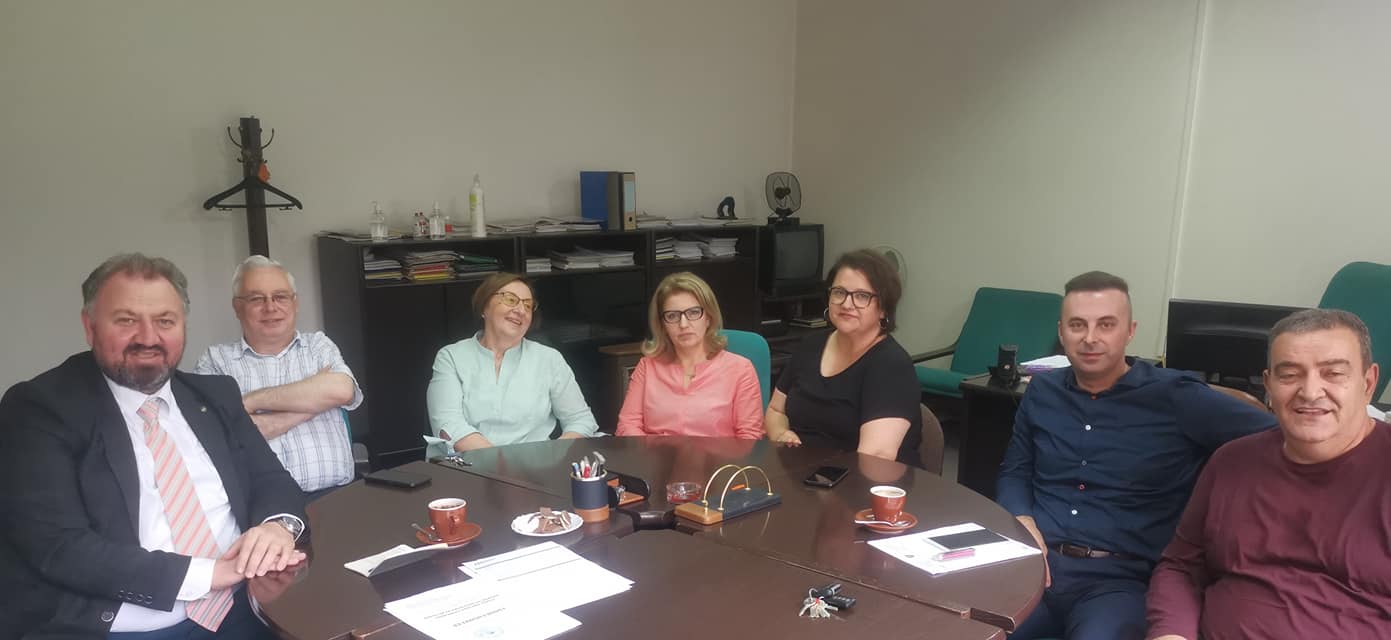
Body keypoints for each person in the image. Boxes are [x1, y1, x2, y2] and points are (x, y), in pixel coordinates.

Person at [0, 253, 307, 639]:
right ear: (90, 327)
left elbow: (272, 480)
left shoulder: (214, 395)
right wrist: (209, 574)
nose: (148, 338)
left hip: (246, 607)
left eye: (165, 321)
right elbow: (59, 546)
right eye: (126, 321)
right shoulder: (40, 409)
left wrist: (278, 528)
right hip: (129, 628)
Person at [997, 271, 1278, 640]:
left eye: (1106, 324)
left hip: (1120, 581)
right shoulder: (1042, 391)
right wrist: (1023, 520)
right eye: (1078, 325)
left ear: (1130, 332)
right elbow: (1015, 471)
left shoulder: (1177, 397)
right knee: (964, 629)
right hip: (1038, 564)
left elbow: (1279, 436)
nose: (1090, 338)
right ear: (1061, 332)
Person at [1147, 309, 1391, 639]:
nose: (1310, 392)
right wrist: (1171, 634)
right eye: (1289, 375)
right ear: (1268, 386)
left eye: (1333, 374)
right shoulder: (1231, 461)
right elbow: (1181, 567)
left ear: (1368, 383)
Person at [195, 256, 364, 501]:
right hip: (258, 507)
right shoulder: (215, 361)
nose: (270, 307)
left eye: (280, 296)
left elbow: (342, 391)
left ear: (295, 303)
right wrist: (313, 405)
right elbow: (224, 435)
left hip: (335, 498)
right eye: (256, 298)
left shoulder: (318, 346)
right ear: (237, 307)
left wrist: (251, 401)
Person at [764, 249, 922, 465]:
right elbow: (775, 410)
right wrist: (781, 433)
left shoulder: (892, 366)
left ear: (884, 309)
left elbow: (875, 458)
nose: (847, 304)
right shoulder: (810, 346)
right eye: (839, 292)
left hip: (865, 480)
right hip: (803, 473)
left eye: (862, 296)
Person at [427, 273, 599, 453]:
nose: (521, 310)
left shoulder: (549, 359)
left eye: (528, 305)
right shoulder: (451, 357)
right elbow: (449, 425)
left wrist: (554, 454)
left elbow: (581, 420)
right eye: (510, 300)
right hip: (469, 464)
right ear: (484, 307)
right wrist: (503, 463)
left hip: (535, 465)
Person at [616, 272, 764, 439]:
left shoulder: (741, 369)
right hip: (655, 455)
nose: (683, 324)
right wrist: (649, 454)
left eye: (693, 313)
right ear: (662, 325)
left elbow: (749, 437)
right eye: (672, 316)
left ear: (708, 317)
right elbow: (627, 425)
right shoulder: (647, 366)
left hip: (719, 456)